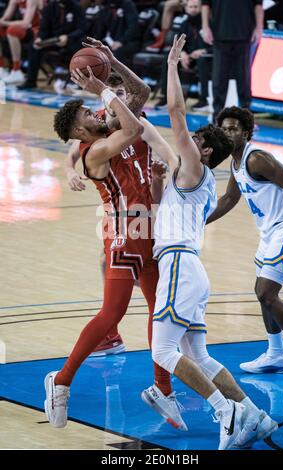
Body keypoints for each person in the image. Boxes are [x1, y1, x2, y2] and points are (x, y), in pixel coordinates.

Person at [44, 43, 188, 431]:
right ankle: (60, 382)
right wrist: (101, 91)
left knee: (162, 314)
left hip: (151, 230)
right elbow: (135, 128)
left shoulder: (111, 124)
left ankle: (162, 388)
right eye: (87, 113)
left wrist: (112, 63)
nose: (95, 112)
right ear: (78, 130)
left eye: (93, 108)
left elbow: (140, 94)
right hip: (125, 234)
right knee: (113, 313)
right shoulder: (95, 151)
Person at [146, 34, 277, 450]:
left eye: (196, 141)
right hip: (192, 271)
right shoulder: (189, 179)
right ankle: (256, 416)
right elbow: (151, 134)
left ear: (203, 150)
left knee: (163, 352)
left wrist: (170, 66)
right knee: (199, 357)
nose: (188, 141)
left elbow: (174, 113)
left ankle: (226, 412)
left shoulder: (195, 169)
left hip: (180, 267)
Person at [65, 71, 171, 359]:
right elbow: (76, 149)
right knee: (116, 302)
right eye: (114, 94)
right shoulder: (104, 134)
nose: (116, 100)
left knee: (160, 307)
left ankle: (162, 380)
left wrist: (111, 60)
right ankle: (66, 376)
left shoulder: (121, 122)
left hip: (149, 220)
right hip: (127, 226)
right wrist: (68, 170)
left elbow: (143, 94)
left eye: (121, 94)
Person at [207, 106, 283, 394]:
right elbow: (230, 199)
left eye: (234, 128)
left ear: (246, 133)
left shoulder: (257, 159)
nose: (228, 132)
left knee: (266, 292)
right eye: (224, 128)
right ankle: (275, 354)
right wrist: (197, 222)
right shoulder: (236, 162)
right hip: (269, 232)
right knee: (262, 294)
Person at [201, 0, 264, 122]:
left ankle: (247, 119)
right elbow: (205, 4)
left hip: (244, 32)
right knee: (219, 79)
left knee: (244, 80)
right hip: (220, 32)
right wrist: (205, 26)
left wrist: (259, 27)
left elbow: (258, 5)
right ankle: (217, 118)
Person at [154, 0, 212, 112]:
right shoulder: (185, 23)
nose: (193, 9)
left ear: (202, 8)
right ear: (186, 8)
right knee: (169, 58)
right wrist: (182, 53)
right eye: (191, 7)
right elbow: (178, 42)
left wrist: (203, 50)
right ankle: (167, 98)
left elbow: (218, 46)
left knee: (202, 61)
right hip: (188, 56)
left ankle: (204, 100)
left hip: (205, 56)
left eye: (196, 6)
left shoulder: (209, 23)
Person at [19, 0, 86, 90]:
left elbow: (82, 29)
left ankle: (79, 81)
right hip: (53, 41)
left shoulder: (77, 8)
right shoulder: (49, 7)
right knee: (33, 46)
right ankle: (31, 81)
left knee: (78, 46)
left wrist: (68, 37)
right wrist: (40, 38)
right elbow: (44, 28)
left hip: (70, 40)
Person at [0, 0, 43, 83]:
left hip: (38, 30)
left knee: (12, 30)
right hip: (27, 29)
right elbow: (5, 18)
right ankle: (1, 68)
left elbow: (26, 23)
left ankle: (17, 70)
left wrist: (4, 23)